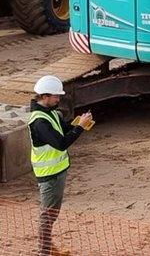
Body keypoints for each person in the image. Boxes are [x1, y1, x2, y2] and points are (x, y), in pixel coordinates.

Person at [27, 75, 94, 256]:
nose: (59, 99)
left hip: (58, 171)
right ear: (45, 96)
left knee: (51, 213)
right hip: (49, 174)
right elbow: (61, 143)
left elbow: (63, 128)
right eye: (56, 96)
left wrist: (80, 122)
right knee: (47, 215)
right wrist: (79, 128)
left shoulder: (51, 113)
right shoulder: (39, 121)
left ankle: (48, 248)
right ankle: (44, 252)